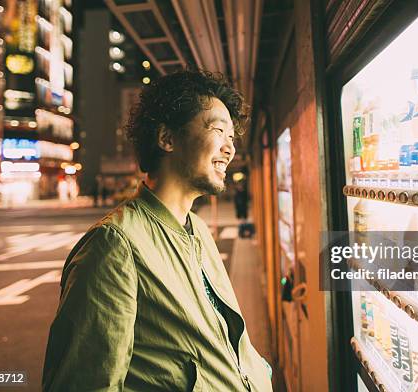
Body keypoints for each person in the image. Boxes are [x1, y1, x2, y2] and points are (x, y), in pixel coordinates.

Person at [42, 70, 273, 391]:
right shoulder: (115, 245)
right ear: (166, 138)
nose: (229, 149)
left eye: (232, 138)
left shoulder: (199, 230)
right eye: (218, 131)